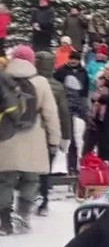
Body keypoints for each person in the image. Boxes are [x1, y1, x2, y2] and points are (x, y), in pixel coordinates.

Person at [0, 46, 61, 235]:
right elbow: (51, 114)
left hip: (5, 137)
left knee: (4, 181)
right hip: (33, 140)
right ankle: (23, 216)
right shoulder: (41, 82)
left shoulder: (3, 79)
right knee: (31, 179)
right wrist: (54, 140)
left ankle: (3, 221)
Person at [34, 51, 72, 217]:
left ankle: (30, 198)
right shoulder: (57, 86)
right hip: (50, 132)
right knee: (46, 169)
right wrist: (66, 136)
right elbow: (64, 113)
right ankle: (43, 201)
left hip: (31, 131)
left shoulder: (30, 82)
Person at [55, 50, 90, 174]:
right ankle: (71, 167)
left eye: (75, 59)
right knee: (70, 136)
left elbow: (85, 90)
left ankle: (87, 160)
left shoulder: (83, 72)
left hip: (79, 103)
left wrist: (85, 104)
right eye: (71, 59)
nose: (72, 61)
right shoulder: (61, 71)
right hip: (66, 104)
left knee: (92, 127)